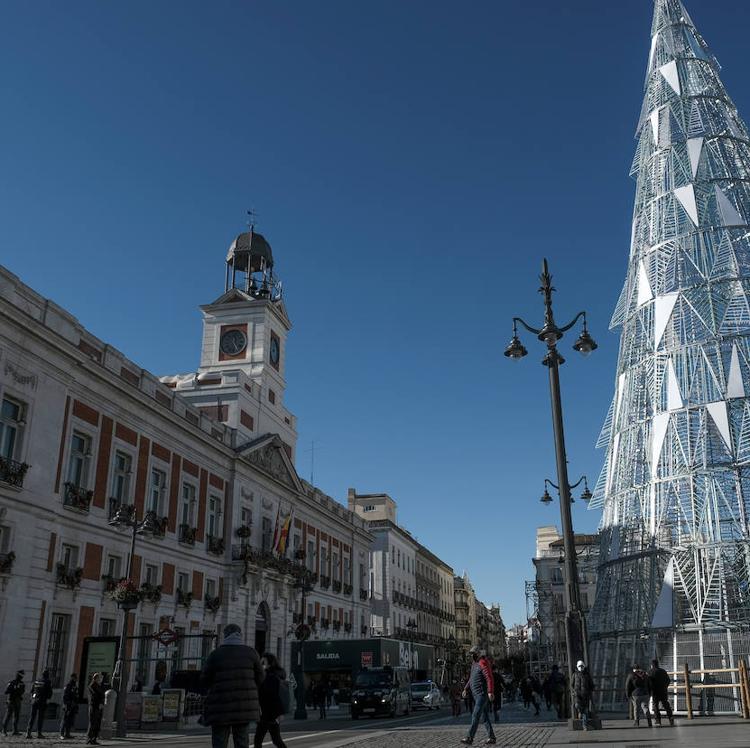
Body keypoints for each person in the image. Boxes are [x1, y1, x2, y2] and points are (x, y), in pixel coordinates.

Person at [200, 623, 264, 748]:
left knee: (219, 742)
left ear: (225, 635)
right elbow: (261, 679)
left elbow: (204, 680)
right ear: (240, 635)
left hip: (220, 707)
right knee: (242, 741)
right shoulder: (251, 653)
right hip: (244, 707)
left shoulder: (215, 654)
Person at [460, 645, 496, 746]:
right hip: (476, 695)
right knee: (484, 717)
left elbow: (489, 677)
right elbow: (472, 678)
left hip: (482, 694)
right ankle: (492, 737)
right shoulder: (474, 664)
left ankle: (469, 737)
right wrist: (466, 688)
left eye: (472, 654)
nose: (471, 656)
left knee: (475, 715)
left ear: (477, 654)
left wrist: (490, 691)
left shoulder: (483, 662)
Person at [254, 652, 288, 748]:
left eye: (263, 662)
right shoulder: (273, 675)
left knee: (259, 740)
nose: (261, 664)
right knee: (276, 740)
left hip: (268, 713)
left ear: (269, 663)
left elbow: (271, 696)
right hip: (271, 713)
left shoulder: (270, 677)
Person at [26, 668, 53, 739]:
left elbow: (32, 691)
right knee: (40, 718)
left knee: (32, 717)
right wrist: (48, 699)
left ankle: (28, 732)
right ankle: (39, 733)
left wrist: (33, 698)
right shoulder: (47, 681)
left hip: (34, 701)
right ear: (47, 675)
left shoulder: (37, 681)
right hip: (42, 701)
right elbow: (49, 692)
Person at [648, 658, 674, 727]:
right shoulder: (663, 671)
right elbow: (668, 680)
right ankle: (670, 718)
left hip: (655, 692)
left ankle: (658, 720)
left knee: (655, 706)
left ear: (652, 665)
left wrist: (650, 690)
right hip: (663, 691)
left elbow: (648, 682)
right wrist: (665, 687)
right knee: (666, 705)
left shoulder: (650, 672)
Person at [571, 661, 595, 731]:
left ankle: (584, 725)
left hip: (585, 695)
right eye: (579, 666)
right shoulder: (574, 674)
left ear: (584, 666)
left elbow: (591, 684)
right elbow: (572, 684)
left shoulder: (587, 675)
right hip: (577, 695)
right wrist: (574, 691)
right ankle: (580, 712)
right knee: (577, 705)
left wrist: (591, 690)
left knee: (585, 711)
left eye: (582, 666)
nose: (580, 668)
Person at [2, 669, 25, 736]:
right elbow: (6, 691)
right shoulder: (12, 683)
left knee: (16, 716)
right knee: (8, 716)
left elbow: (22, 692)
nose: (22, 677)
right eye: (21, 675)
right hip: (11, 701)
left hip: (17, 701)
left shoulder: (21, 683)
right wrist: (14, 689)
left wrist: (17, 691)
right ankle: (4, 730)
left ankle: (15, 731)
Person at [86, 672, 105, 745]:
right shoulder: (92, 685)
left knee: (97, 723)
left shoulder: (99, 686)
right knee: (93, 723)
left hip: (98, 707)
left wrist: (101, 703)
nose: (101, 679)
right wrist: (99, 703)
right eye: (100, 678)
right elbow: (94, 696)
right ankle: (89, 738)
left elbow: (102, 696)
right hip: (94, 706)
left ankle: (94, 738)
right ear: (96, 678)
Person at [60, 673, 79, 740]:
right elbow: (65, 696)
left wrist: (76, 704)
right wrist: (66, 704)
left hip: (73, 705)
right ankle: (62, 734)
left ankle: (67, 733)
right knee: (65, 720)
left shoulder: (75, 686)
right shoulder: (68, 685)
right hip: (68, 705)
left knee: (70, 720)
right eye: (75, 678)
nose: (76, 679)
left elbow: (76, 696)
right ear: (72, 678)